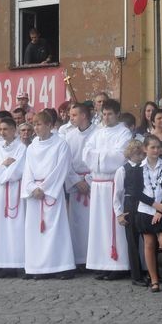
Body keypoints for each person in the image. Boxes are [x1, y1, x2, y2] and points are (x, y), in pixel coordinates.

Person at [21, 111, 75, 278]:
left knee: (55, 229)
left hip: (51, 192)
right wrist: (31, 188)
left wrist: (44, 189)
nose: (35, 128)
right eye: (34, 125)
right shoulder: (32, 146)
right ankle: (37, 268)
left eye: (39, 124)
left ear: (50, 126)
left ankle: (60, 266)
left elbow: (61, 169)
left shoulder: (61, 144)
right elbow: (27, 170)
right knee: (35, 232)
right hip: (35, 194)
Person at [82, 99, 132, 278]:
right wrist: (101, 157)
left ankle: (117, 264)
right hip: (97, 185)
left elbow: (120, 156)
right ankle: (102, 262)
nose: (106, 117)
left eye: (110, 114)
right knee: (99, 226)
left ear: (117, 114)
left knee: (114, 225)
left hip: (113, 183)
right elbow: (86, 153)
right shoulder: (97, 132)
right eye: (104, 114)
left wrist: (98, 157)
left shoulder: (124, 133)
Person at [130, 135, 162, 292]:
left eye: (158, 147)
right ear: (145, 149)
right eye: (152, 147)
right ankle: (154, 280)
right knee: (149, 244)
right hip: (146, 210)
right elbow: (136, 192)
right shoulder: (137, 169)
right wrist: (154, 205)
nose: (156, 150)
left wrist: (161, 208)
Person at [0, 117, 27, 272]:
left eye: (6, 129)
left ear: (13, 130)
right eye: (0, 129)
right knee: (1, 228)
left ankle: (19, 264)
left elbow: (18, 171)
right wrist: (4, 165)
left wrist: (1, 172)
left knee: (17, 227)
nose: (2, 132)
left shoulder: (21, 148)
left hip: (15, 190)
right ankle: (4, 265)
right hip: (1, 193)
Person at [61, 103, 96, 267]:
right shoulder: (69, 136)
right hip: (76, 182)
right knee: (76, 223)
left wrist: (88, 180)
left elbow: (98, 160)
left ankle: (94, 258)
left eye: (74, 115)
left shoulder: (98, 133)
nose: (71, 118)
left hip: (92, 182)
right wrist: (76, 180)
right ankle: (79, 259)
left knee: (93, 222)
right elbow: (65, 162)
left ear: (84, 116)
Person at [114, 140, 147, 286]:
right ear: (130, 153)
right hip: (130, 205)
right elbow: (118, 193)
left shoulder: (146, 168)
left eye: (141, 153)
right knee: (132, 242)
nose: (139, 156)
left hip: (145, 205)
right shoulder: (122, 170)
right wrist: (119, 213)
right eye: (136, 153)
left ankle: (152, 272)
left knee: (149, 239)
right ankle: (136, 275)